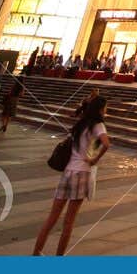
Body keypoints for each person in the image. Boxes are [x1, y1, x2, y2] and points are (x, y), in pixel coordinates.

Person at [33, 95, 110, 256]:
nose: (106, 111)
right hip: (81, 172)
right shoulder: (98, 125)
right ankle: (59, 256)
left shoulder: (81, 124)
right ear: (101, 109)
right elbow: (106, 143)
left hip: (68, 172)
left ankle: (36, 252)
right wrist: (94, 159)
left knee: (52, 218)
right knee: (69, 221)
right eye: (105, 108)